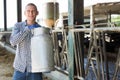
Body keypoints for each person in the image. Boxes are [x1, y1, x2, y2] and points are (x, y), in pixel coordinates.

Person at [10, 3, 42, 80]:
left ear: (37, 13)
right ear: (25, 13)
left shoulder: (41, 29)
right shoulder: (18, 26)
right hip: (20, 68)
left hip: (35, 69)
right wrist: (27, 29)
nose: (30, 13)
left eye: (33, 11)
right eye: (28, 11)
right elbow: (13, 41)